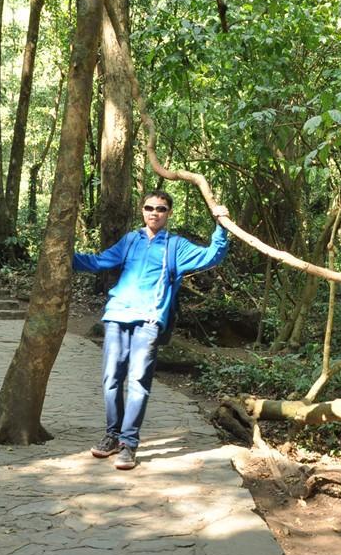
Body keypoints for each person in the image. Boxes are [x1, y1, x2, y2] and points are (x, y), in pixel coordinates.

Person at [73, 190, 229, 470]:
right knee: (111, 381)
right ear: (142, 210)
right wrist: (64, 256)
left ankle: (128, 443)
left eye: (161, 208)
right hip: (117, 316)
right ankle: (112, 435)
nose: (154, 212)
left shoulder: (175, 246)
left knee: (137, 383)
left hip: (149, 319)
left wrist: (221, 227)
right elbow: (100, 261)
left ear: (169, 213)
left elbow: (211, 257)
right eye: (149, 207)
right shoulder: (131, 240)